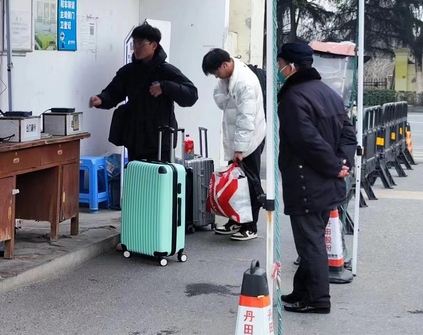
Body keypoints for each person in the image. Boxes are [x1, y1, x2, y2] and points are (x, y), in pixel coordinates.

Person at [276, 43, 356, 314]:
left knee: (310, 244)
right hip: (327, 183)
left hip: (306, 183)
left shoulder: (293, 98)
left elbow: (307, 141)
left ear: (291, 67)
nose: (279, 70)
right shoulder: (329, 93)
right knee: (313, 239)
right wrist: (342, 164)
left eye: (280, 65)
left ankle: (317, 299)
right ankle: (302, 291)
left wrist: (334, 166)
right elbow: (348, 134)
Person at [89, 23, 198, 161]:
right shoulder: (128, 72)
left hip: (160, 140)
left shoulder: (166, 71)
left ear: (154, 45)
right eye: (134, 43)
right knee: (136, 173)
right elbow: (113, 92)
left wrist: (165, 87)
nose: (136, 47)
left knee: (158, 175)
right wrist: (101, 99)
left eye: (140, 43)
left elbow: (191, 94)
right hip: (135, 139)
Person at [202, 48, 266, 241]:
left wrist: (240, 149)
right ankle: (236, 220)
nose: (216, 77)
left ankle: (250, 226)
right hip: (237, 140)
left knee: (249, 184)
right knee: (236, 183)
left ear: (225, 65)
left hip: (249, 141)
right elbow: (219, 98)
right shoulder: (228, 78)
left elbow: (247, 119)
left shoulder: (245, 82)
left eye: (216, 72)